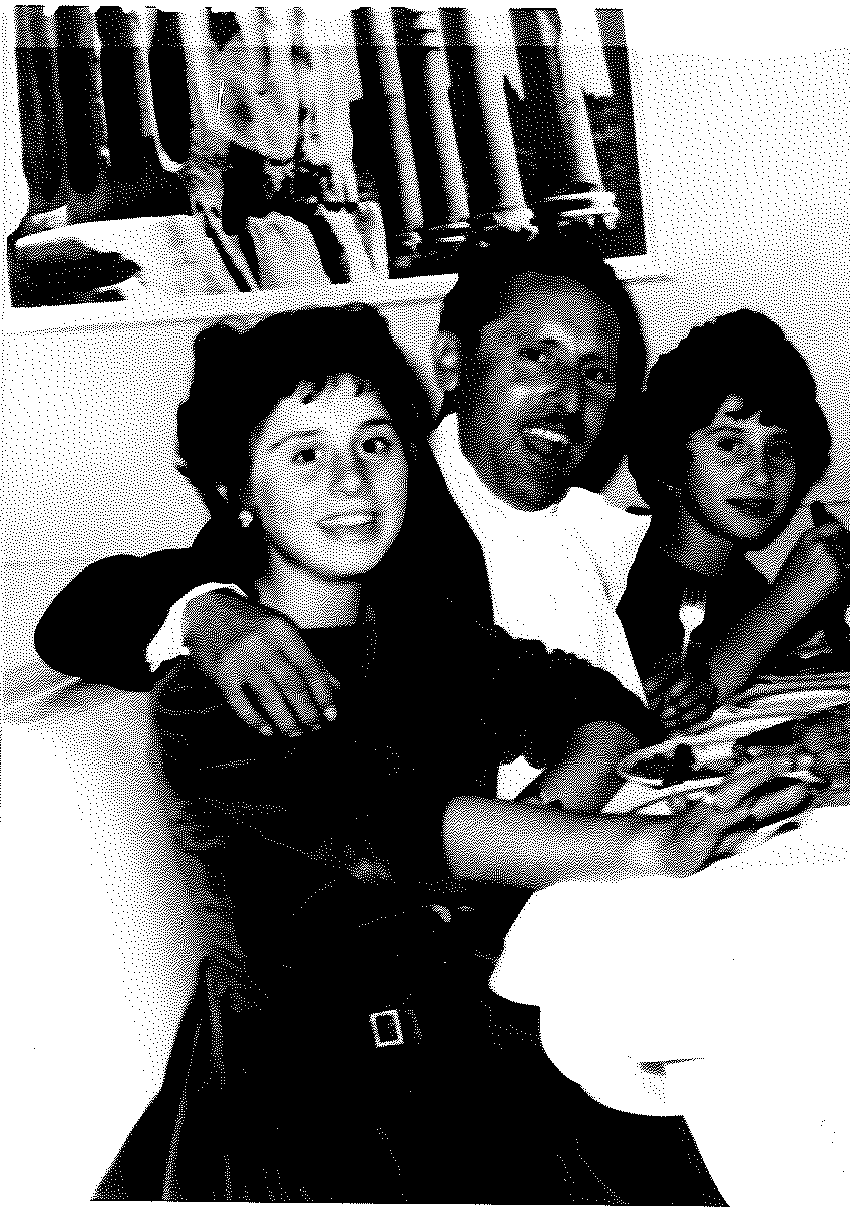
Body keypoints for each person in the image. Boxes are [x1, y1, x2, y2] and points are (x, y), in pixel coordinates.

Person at [94, 306, 807, 1203]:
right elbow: (395, 826)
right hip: (320, 1108)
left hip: (472, 1035)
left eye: (377, 443)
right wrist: (644, 848)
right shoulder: (216, 687)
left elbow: (599, 704)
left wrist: (547, 813)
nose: (350, 482)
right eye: (303, 454)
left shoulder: (425, 640)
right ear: (238, 490)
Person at [33, 229, 691, 741]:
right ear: (452, 361)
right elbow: (84, 613)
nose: (570, 400)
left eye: (597, 373)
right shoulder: (373, 513)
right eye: (537, 356)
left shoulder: (585, 524)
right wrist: (210, 612)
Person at [615, 309, 850, 710]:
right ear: (669, 452)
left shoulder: (743, 586)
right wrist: (791, 600)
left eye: (780, 450)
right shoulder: (614, 572)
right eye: (729, 445)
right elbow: (653, 721)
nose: (763, 475)